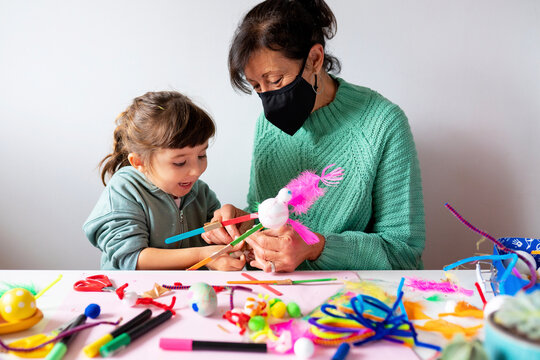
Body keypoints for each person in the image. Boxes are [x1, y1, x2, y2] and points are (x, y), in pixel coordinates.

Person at [202, 0, 425, 272]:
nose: (268, 96)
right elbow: (264, 213)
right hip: (275, 296)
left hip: (353, 299)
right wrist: (243, 224)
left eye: (275, 80)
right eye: (257, 86)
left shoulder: (383, 124)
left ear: (315, 59)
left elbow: (403, 254)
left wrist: (315, 246)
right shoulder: (268, 126)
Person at [83, 91, 246, 271]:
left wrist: (228, 229)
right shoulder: (124, 190)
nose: (196, 170)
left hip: (186, 293)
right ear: (140, 162)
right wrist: (202, 256)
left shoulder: (200, 192)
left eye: (202, 155)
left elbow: (216, 242)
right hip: (133, 294)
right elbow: (131, 258)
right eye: (180, 162)